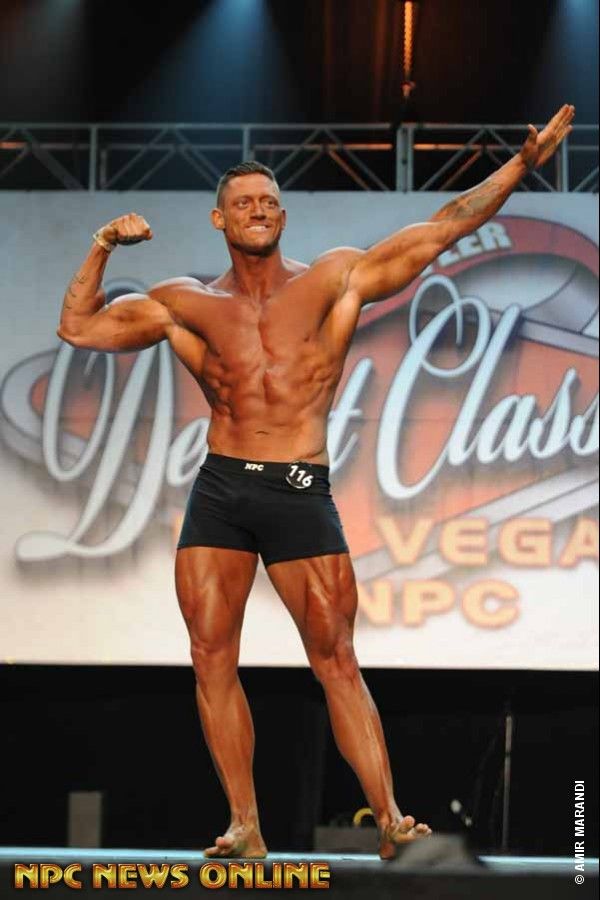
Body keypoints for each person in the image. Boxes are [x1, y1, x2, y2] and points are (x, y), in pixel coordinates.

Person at [57, 105, 574, 860]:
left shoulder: (336, 278)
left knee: (334, 658)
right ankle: (245, 825)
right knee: (210, 656)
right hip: (222, 488)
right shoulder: (184, 302)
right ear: (219, 219)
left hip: (299, 486)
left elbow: (442, 230)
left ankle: (390, 820)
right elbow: (80, 327)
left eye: (268, 202)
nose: (258, 210)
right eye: (243, 203)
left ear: (283, 215)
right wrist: (103, 244)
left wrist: (521, 166)